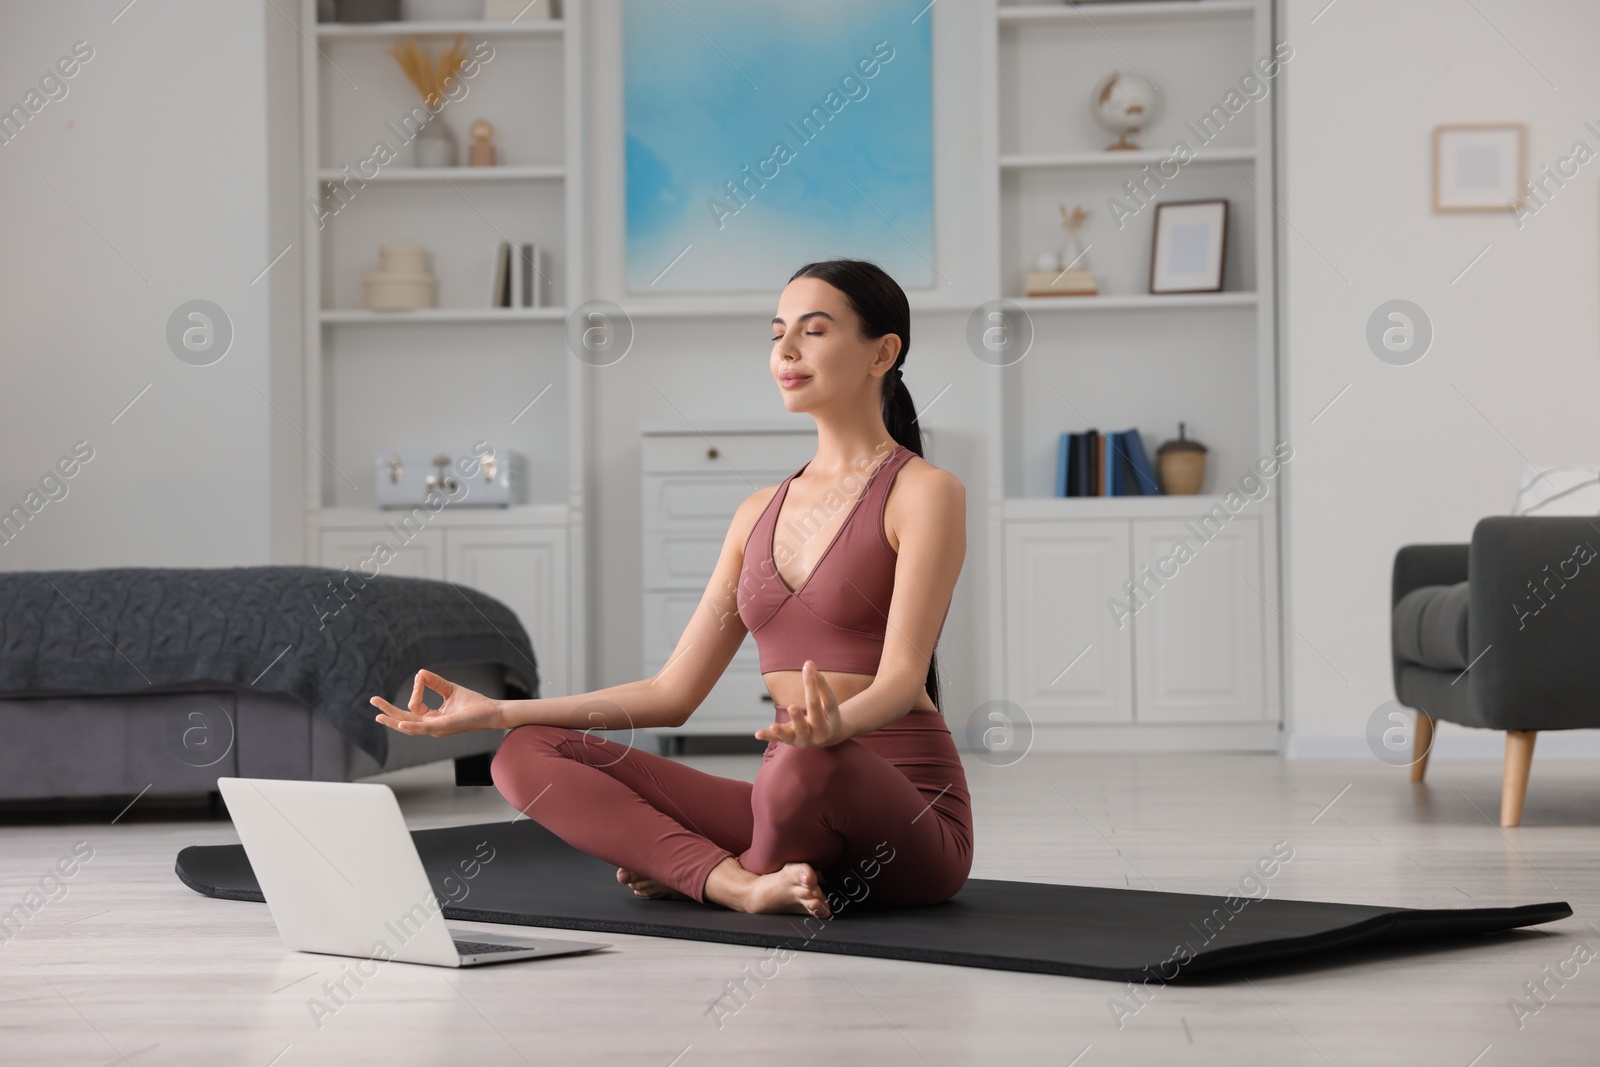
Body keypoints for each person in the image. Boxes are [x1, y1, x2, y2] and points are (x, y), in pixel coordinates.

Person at [369, 259, 971, 921]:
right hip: (784, 795)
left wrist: (835, 726)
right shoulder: (755, 514)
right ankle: (732, 881)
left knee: (805, 765)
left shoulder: (923, 492)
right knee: (523, 753)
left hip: (906, 820)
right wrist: (497, 713)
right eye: (777, 334)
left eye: (815, 330)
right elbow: (672, 694)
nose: (786, 352)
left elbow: (899, 678)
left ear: (883, 351)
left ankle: (728, 863)